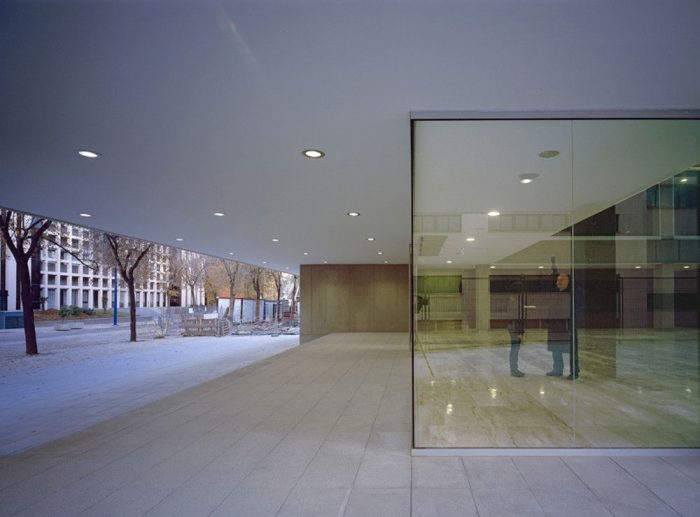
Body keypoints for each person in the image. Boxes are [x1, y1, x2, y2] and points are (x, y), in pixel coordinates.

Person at [546, 272, 579, 380]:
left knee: (571, 349)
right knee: (555, 349)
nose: (559, 282)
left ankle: (574, 371)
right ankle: (557, 369)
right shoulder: (556, 294)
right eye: (558, 280)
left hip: (566, 326)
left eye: (561, 280)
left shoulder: (571, 295)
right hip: (555, 327)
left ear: (568, 282)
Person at [506, 283, 525, 377]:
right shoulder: (515, 303)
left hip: (513, 327)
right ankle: (514, 369)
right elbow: (516, 318)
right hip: (515, 328)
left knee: (515, 348)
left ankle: (514, 368)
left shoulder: (513, 301)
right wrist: (519, 332)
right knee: (515, 348)